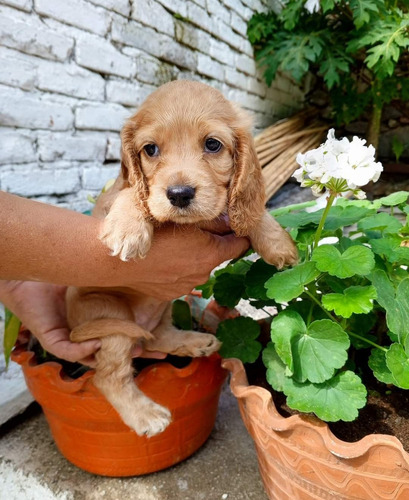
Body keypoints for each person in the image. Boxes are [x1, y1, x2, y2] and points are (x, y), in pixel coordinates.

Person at [0, 191, 249, 366]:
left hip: (130, 308)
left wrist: (16, 284)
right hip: (100, 308)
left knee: (157, 291)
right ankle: (123, 392)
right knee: (116, 316)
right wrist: (128, 268)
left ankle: (161, 333)